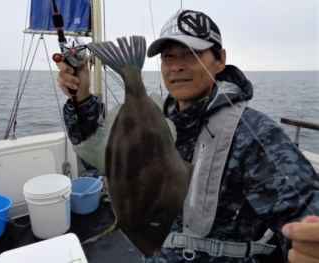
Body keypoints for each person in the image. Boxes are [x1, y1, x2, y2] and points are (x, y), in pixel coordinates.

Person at [57, 9, 319, 263]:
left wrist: (308, 242)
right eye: (168, 56)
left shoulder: (253, 134)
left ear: (220, 60)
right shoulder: (158, 117)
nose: (177, 66)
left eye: (191, 53)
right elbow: (98, 154)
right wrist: (81, 97)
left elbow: (303, 205)